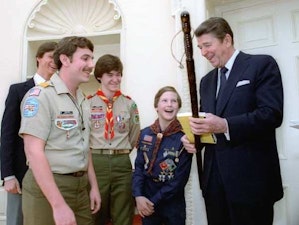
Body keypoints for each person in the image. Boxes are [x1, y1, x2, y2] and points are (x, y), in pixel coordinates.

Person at [182, 17, 284, 225]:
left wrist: (225, 125)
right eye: (200, 47)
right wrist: (194, 139)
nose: (203, 53)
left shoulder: (261, 65)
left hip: (251, 183)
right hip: (214, 186)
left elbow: (271, 114)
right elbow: (206, 124)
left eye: (207, 45)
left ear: (227, 40)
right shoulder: (206, 82)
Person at [19, 36, 101, 225]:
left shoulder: (82, 99)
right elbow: (33, 151)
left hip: (80, 188)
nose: (91, 64)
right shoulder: (40, 96)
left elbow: (83, 146)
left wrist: (93, 186)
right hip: (48, 188)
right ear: (65, 60)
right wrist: (58, 205)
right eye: (85, 58)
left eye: (91, 59)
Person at [0, 41, 57, 225]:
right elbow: (7, 135)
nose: (53, 61)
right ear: (38, 58)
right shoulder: (18, 91)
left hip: (52, 174)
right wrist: (7, 175)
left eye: (57, 58)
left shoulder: (59, 93)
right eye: (50, 56)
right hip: (21, 174)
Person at [88, 54, 140, 225]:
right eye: (110, 75)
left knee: (123, 213)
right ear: (99, 77)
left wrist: (120, 151)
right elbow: (83, 136)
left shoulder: (129, 104)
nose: (115, 79)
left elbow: (133, 135)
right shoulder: (87, 103)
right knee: (95, 211)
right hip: (96, 161)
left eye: (118, 74)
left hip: (122, 162)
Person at [132, 86, 192, 225]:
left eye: (174, 101)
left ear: (178, 107)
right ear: (156, 106)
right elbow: (139, 168)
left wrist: (152, 202)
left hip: (172, 202)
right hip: (146, 198)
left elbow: (179, 180)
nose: (169, 104)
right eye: (164, 100)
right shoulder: (145, 133)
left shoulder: (185, 137)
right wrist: (139, 196)